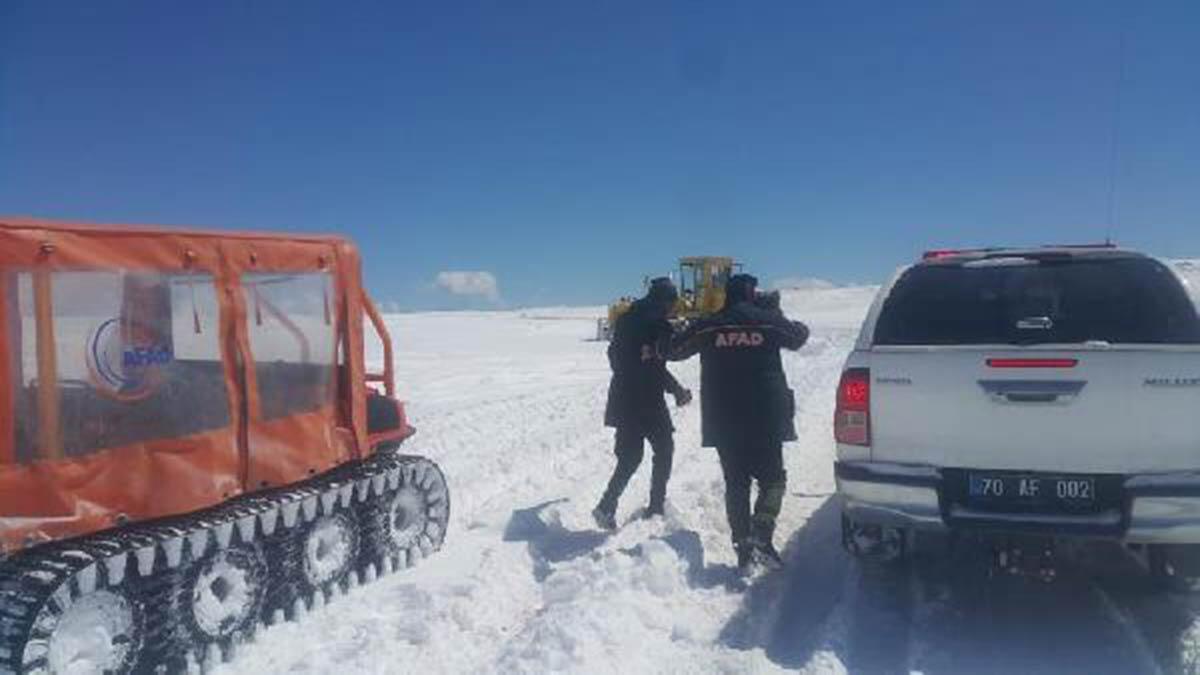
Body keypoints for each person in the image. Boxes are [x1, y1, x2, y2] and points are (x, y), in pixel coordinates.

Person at [667, 274, 809, 570]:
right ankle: (762, 530)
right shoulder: (766, 320)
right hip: (766, 415)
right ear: (751, 293)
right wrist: (775, 312)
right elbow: (799, 337)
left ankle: (743, 547)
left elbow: (674, 350)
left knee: (736, 483)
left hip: (725, 417)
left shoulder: (710, 324)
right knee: (772, 478)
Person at [594, 277, 692, 530]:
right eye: (672, 303)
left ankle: (606, 506)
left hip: (623, 396)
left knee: (629, 457)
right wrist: (678, 391)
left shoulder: (626, 319)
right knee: (664, 449)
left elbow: (614, 357)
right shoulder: (658, 324)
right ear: (666, 300)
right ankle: (656, 507)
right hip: (647, 399)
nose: (673, 309)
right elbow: (663, 362)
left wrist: (633, 368)